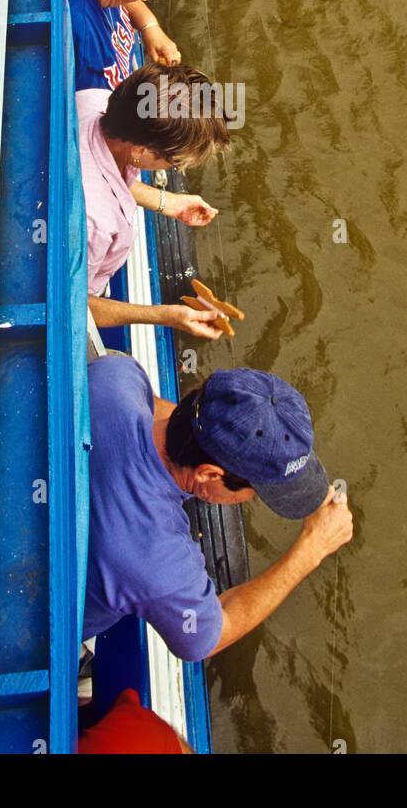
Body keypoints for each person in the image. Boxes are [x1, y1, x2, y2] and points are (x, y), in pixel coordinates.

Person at [83, 360, 355, 661]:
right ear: (209, 476)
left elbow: (158, 409)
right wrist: (312, 547)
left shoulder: (116, 375)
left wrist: (221, 434)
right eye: (255, 491)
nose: (250, 498)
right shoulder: (160, 561)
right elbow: (211, 637)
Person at [78, 63, 230, 340]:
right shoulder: (93, 223)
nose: (179, 171)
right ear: (139, 150)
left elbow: (104, 172)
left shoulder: (95, 100)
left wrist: (169, 202)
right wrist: (165, 315)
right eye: (174, 163)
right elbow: (73, 307)